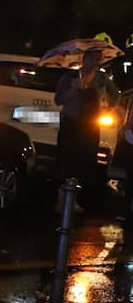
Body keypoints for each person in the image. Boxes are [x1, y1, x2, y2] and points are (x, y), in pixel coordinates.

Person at [53, 49, 120, 211]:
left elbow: (116, 95)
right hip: (71, 123)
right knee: (66, 159)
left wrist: (108, 110)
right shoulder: (71, 77)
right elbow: (59, 100)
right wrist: (73, 89)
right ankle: (61, 197)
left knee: (84, 161)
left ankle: (74, 198)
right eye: (93, 58)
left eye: (99, 59)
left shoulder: (102, 78)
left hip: (89, 125)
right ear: (84, 59)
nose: (96, 62)